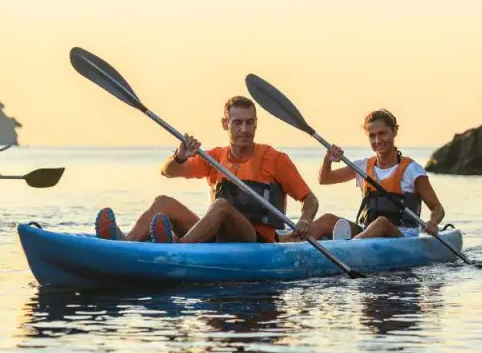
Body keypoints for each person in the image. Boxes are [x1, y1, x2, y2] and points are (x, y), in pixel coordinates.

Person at [94, 95, 319, 244]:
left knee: (221, 205)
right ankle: (125, 242)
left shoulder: (275, 159)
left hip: (256, 239)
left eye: (250, 122)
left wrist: (305, 220)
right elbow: (169, 171)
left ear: (256, 123)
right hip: (216, 237)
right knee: (163, 202)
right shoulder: (213, 157)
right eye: (237, 123)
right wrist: (180, 156)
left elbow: (310, 199)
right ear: (225, 124)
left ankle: (178, 248)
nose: (244, 129)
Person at [312, 109, 446, 239]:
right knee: (327, 219)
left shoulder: (412, 170)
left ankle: (346, 247)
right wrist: (327, 159)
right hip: (367, 232)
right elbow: (325, 179)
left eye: (382, 133)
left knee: (381, 223)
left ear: (394, 131)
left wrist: (433, 222)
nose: (377, 140)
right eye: (372, 136)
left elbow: (437, 208)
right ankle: (292, 245)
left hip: (403, 237)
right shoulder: (362, 167)